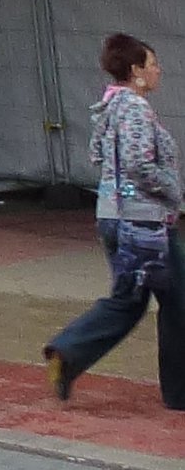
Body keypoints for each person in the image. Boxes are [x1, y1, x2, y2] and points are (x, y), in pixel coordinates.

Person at [45, 30, 185, 406]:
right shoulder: (136, 108)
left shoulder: (107, 108)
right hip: (144, 224)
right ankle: (179, 391)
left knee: (131, 299)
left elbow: (96, 156)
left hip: (113, 216)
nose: (159, 71)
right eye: (153, 64)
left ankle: (69, 353)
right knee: (177, 300)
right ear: (137, 70)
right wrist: (173, 192)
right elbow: (140, 164)